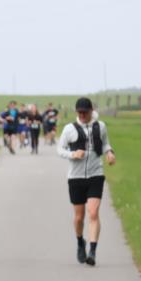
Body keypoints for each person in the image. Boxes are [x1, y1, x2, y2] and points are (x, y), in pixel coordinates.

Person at [57, 97, 116, 266]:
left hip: (96, 175)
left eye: (85, 112)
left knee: (93, 212)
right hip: (75, 178)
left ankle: (93, 252)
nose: (82, 115)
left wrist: (110, 153)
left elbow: (105, 144)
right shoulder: (69, 129)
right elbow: (59, 149)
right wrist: (72, 154)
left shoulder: (101, 126)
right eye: (79, 112)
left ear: (91, 111)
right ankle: (79, 242)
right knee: (78, 217)